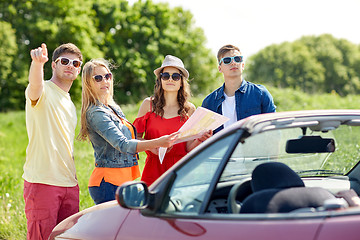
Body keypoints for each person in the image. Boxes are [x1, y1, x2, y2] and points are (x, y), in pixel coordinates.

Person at [77, 58, 179, 205]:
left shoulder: (112, 108)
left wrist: (155, 146)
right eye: (98, 78)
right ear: (88, 83)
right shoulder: (96, 112)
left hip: (123, 180)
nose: (105, 81)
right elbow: (123, 144)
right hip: (108, 184)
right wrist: (158, 142)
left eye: (107, 76)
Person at [23, 43, 83, 240]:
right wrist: (37, 64)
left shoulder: (69, 103)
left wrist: (73, 181)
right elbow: (35, 86)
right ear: (54, 65)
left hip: (69, 184)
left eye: (75, 63)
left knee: (68, 238)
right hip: (43, 182)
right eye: (64, 61)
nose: (70, 65)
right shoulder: (44, 90)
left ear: (79, 69)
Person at [133, 55, 212, 186]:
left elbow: (188, 147)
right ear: (160, 80)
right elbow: (134, 139)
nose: (170, 79)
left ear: (181, 82)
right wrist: (154, 148)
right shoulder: (148, 105)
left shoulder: (189, 109)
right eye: (166, 76)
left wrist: (200, 139)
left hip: (181, 171)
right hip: (153, 170)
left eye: (175, 76)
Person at [202, 44, 276, 134]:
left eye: (237, 59)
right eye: (227, 60)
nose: (233, 63)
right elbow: (204, 138)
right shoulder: (209, 102)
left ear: (243, 65)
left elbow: (273, 130)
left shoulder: (260, 94)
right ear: (220, 68)